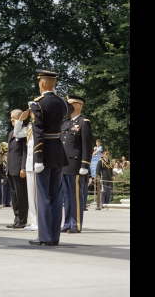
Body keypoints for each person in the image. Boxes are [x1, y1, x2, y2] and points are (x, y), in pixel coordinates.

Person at [29, 69, 73, 246]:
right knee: (56, 195)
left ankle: (44, 236)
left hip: (44, 152)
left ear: (41, 83)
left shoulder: (36, 104)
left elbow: (38, 132)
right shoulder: (61, 103)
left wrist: (38, 158)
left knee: (43, 197)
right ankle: (54, 237)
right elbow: (69, 108)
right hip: (57, 152)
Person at [60, 94, 94, 233]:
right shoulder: (65, 123)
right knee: (66, 197)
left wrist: (85, 165)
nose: (68, 107)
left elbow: (87, 145)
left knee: (75, 196)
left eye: (71, 104)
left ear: (78, 105)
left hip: (75, 165)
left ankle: (76, 223)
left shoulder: (83, 123)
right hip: (64, 164)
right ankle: (68, 222)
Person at [12, 111, 38, 231]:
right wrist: (20, 120)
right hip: (29, 164)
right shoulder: (29, 127)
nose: (31, 115)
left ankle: (38, 221)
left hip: (37, 164)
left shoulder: (40, 125)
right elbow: (17, 133)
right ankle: (34, 222)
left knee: (37, 196)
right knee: (31, 196)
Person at [5, 109, 28, 229]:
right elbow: (9, 152)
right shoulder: (11, 133)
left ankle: (22, 220)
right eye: (11, 118)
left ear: (20, 118)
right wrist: (7, 169)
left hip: (19, 169)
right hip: (11, 168)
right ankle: (16, 218)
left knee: (21, 195)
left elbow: (25, 151)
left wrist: (23, 167)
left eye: (13, 117)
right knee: (14, 196)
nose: (11, 120)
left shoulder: (24, 131)